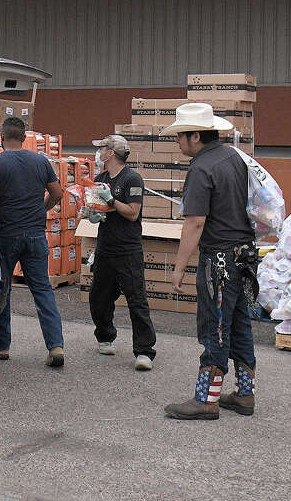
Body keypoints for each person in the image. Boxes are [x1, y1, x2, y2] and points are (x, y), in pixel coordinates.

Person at [162, 102, 257, 420]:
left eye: (180, 136)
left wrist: (178, 267)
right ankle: (245, 394)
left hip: (218, 260)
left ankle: (206, 399)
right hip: (243, 256)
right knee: (239, 324)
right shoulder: (234, 157)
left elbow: (195, 222)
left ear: (195, 137)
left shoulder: (202, 168)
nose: (177, 142)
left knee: (215, 328)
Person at [0, 117, 67, 367]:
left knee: (3, 289)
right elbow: (58, 193)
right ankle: (55, 346)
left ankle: (1, 346)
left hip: (6, 235)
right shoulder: (41, 161)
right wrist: (42, 208)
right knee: (42, 291)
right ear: (24, 137)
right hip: (36, 234)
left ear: (2, 138)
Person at [87, 134, 156, 371]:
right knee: (99, 297)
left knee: (136, 299)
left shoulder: (132, 179)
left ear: (111, 153)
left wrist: (112, 201)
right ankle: (105, 337)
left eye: (102, 149)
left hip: (128, 250)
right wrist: (93, 213)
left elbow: (132, 212)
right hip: (105, 247)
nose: (99, 153)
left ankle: (145, 351)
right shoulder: (100, 178)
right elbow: (98, 210)